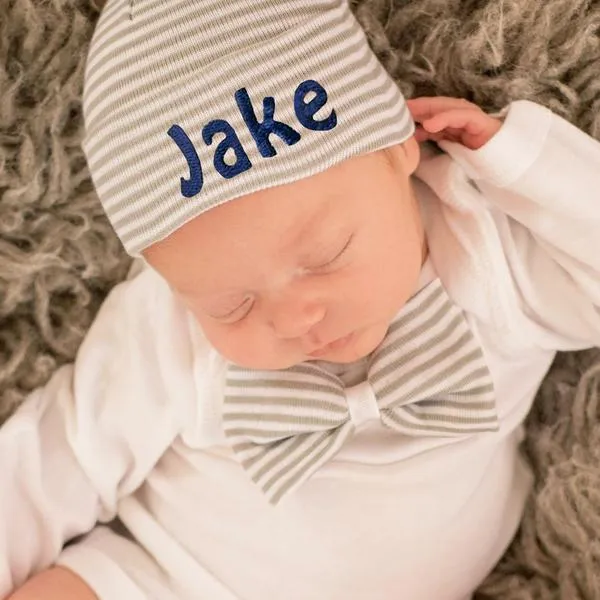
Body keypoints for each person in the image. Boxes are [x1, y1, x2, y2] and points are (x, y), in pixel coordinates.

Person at [3, 0, 600, 599]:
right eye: (230, 306)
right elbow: (60, 460)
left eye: (327, 255)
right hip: (179, 578)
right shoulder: (164, 327)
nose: (294, 319)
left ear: (397, 150)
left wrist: (525, 166)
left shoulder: (481, 250)